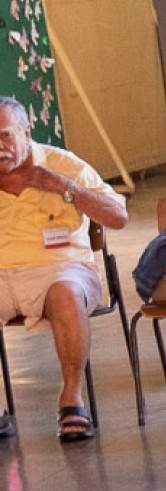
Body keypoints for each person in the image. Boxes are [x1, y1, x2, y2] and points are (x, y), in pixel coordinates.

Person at [0, 98, 127, 444]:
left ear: (26, 133)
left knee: (66, 294)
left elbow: (118, 217)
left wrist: (63, 187)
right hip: (3, 273)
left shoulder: (62, 164)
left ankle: (72, 399)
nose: (0, 147)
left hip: (61, 268)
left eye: (5, 136)